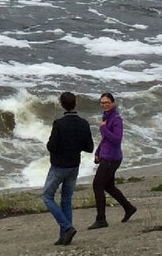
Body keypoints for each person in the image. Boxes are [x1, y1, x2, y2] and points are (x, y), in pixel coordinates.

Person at [43, 91, 94, 246]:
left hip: (59, 166)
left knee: (47, 196)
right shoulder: (84, 123)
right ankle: (64, 237)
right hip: (74, 165)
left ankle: (67, 227)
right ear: (75, 104)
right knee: (66, 199)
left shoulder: (59, 124)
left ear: (61, 104)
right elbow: (89, 147)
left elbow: (51, 146)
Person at [88, 91, 136, 229]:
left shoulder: (116, 119)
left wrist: (103, 128)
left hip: (112, 158)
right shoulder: (106, 116)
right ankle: (129, 208)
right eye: (102, 102)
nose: (104, 105)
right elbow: (105, 140)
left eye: (107, 102)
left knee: (97, 185)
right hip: (106, 156)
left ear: (113, 103)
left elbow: (116, 139)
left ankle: (101, 219)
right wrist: (97, 152)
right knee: (108, 186)